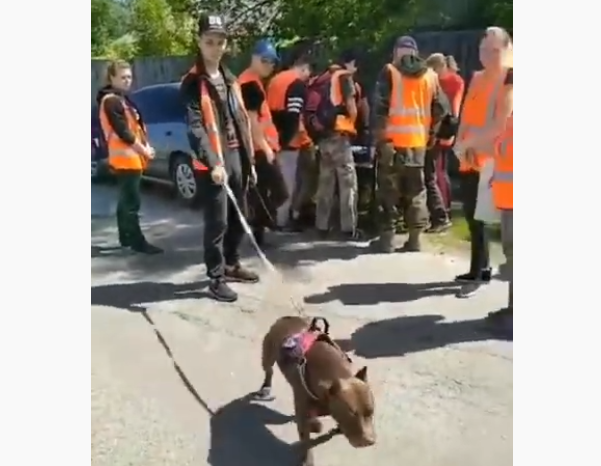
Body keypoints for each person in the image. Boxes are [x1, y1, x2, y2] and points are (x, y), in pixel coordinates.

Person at [180, 13, 259, 303]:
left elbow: (241, 120)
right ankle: (215, 277)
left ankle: (232, 263)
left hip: (237, 154)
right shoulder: (192, 82)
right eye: (209, 41)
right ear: (200, 42)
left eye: (220, 41)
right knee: (217, 222)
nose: (215, 47)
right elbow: (195, 127)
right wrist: (213, 162)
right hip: (212, 162)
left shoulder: (230, 78)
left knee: (240, 215)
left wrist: (249, 162)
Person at [371, 36, 452, 252]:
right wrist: (431, 134)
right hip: (418, 144)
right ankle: (415, 239)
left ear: (397, 52)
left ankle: (387, 240)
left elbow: (379, 108)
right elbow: (442, 109)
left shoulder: (390, 72)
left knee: (388, 191)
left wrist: (381, 138)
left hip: (392, 143)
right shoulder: (431, 76)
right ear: (415, 52)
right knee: (416, 191)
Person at [453, 27, 513, 299]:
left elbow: (499, 123)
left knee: (488, 218)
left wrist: (469, 143)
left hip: (494, 160)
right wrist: (461, 143)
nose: (487, 56)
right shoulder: (477, 78)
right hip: (471, 155)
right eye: (483, 50)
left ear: (508, 49)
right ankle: (478, 267)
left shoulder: (510, 78)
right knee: (472, 216)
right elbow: (466, 114)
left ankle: (483, 271)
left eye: (494, 51)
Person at [96, 60, 163, 254]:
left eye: (129, 77)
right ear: (111, 78)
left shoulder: (121, 99)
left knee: (126, 199)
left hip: (130, 156)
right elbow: (123, 132)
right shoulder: (112, 101)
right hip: (126, 157)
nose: (127, 81)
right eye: (123, 77)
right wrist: (143, 150)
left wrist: (144, 146)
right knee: (132, 202)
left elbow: (135, 127)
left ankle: (126, 237)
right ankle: (136, 241)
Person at [238, 39, 289, 247]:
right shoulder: (250, 84)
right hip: (260, 148)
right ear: (255, 58)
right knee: (279, 192)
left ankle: (259, 228)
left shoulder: (250, 80)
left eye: (272, 62)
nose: (270, 66)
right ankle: (260, 222)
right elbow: (252, 122)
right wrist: (266, 147)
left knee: (261, 191)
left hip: (258, 147)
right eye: (266, 61)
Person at [313, 49, 360, 239]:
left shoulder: (324, 77)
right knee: (348, 183)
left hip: (323, 136)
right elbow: (351, 106)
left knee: (325, 183)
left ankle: (321, 226)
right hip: (339, 136)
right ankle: (348, 228)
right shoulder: (344, 77)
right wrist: (353, 123)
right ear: (351, 63)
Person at [266, 53, 314, 228]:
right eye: (308, 73)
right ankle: (282, 222)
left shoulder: (275, 80)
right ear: (303, 68)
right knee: (288, 183)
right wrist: (292, 139)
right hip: (288, 142)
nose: (308, 78)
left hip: (271, 137)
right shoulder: (296, 84)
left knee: (276, 182)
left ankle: (271, 217)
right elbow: (294, 115)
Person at [425, 53, 465, 231]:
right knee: (441, 170)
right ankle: (445, 208)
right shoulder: (456, 80)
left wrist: (446, 128)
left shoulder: (450, 82)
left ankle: (442, 211)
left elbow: (452, 108)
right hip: (447, 127)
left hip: (443, 128)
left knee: (437, 172)